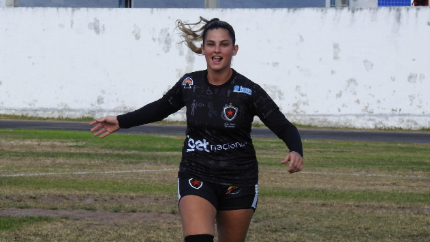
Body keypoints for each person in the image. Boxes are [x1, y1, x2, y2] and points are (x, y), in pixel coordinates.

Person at [90, 17, 304, 242]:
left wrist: (296, 150)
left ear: (235, 49)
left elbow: (283, 126)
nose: (217, 50)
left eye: (224, 44)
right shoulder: (190, 84)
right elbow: (159, 108)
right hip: (197, 173)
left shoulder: (248, 91)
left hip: (239, 178)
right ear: (202, 49)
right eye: (211, 44)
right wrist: (121, 121)